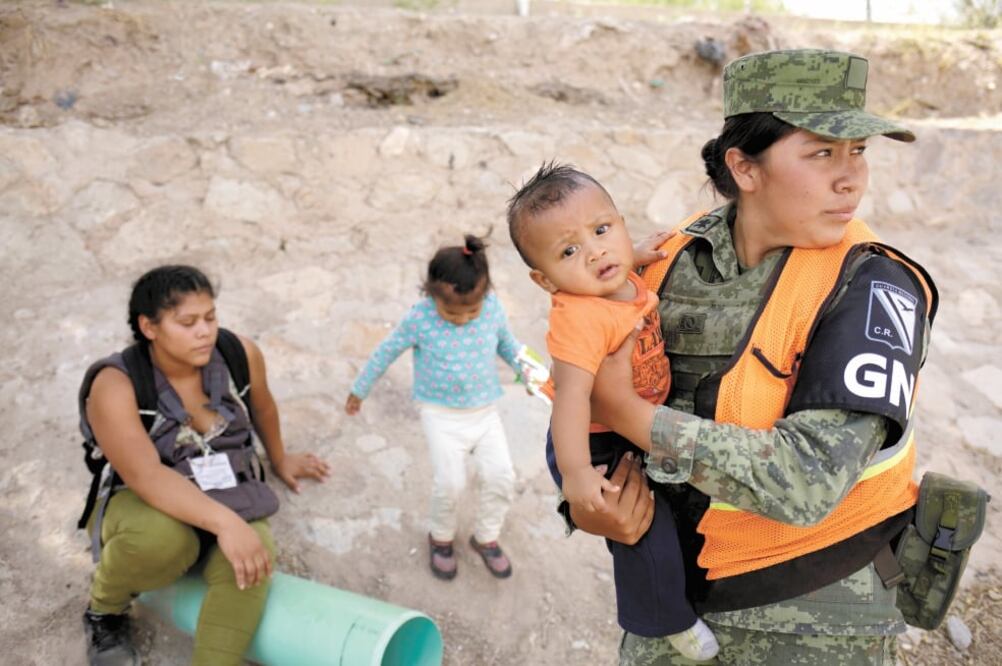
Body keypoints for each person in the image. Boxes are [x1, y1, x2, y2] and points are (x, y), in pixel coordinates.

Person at [563, 49, 938, 664]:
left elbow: (806, 482)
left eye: (860, 152)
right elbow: (584, 393)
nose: (852, 180)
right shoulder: (671, 258)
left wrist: (631, 416)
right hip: (675, 601)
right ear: (744, 166)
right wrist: (590, 503)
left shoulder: (873, 286)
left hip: (815, 616)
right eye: (822, 152)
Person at [506, 163, 718, 661]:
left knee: (668, 512)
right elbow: (572, 398)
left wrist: (636, 256)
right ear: (544, 279)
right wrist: (577, 473)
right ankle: (668, 621)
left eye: (602, 231)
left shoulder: (616, 280)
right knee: (642, 525)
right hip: (593, 440)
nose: (596, 251)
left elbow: (618, 263)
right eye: (569, 251)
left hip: (630, 424)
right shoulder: (578, 315)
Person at [79, 265, 330, 666]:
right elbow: (146, 475)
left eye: (211, 317)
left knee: (253, 558)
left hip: (224, 484)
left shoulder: (237, 355)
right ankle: (104, 611)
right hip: (142, 500)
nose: (205, 332)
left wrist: (280, 458)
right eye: (187, 322)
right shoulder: (117, 385)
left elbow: (262, 403)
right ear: (149, 327)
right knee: (167, 541)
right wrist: (228, 523)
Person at [345, 234, 521, 581]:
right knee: (451, 482)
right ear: (430, 294)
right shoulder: (420, 318)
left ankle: (485, 536)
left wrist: (530, 376)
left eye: (472, 309)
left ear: (486, 293)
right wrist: (359, 389)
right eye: (452, 311)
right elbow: (385, 351)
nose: (462, 318)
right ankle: (440, 537)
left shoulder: (493, 310)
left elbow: (508, 346)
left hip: (484, 412)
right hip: (440, 415)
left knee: (501, 476)